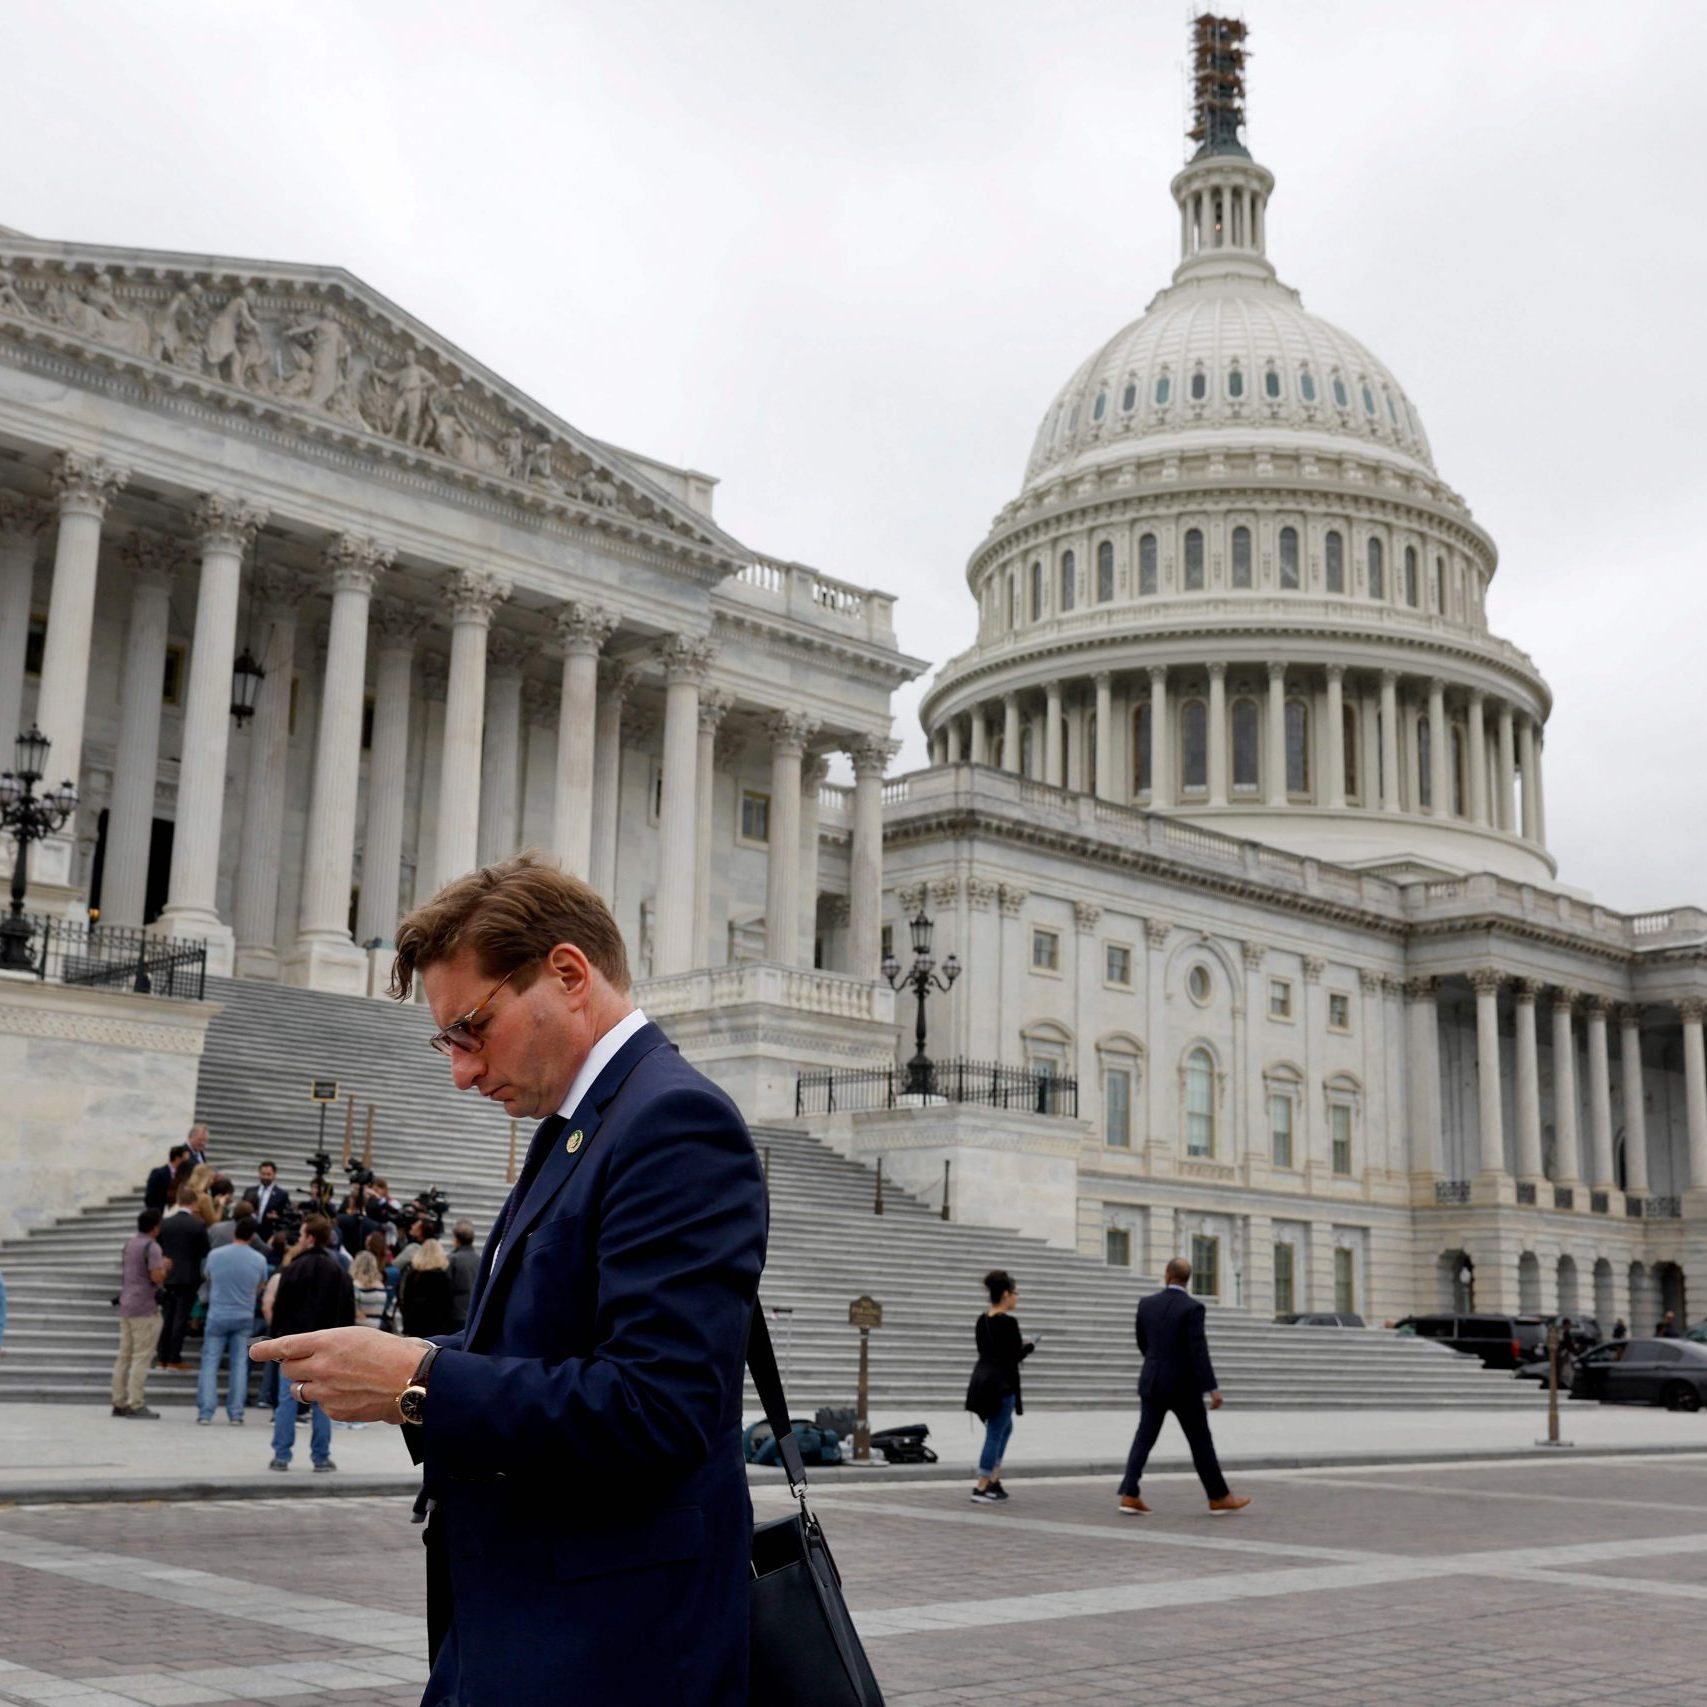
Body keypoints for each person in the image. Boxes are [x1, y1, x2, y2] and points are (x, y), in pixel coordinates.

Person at [252, 853, 768, 1706]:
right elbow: (543, 1341)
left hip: (611, 1646)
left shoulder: (674, 1121)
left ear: (566, 973)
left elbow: (659, 1408)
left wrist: (420, 1384)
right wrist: (403, 1363)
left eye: (471, 1027)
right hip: (526, 1623)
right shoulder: (583, 1124)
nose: (459, 1069)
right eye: (446, 1038)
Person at [1117, 1256, 1249, 1515]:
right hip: (1184, 1387)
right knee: (1200, 1442)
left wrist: (1156, 1364)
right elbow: (1198, 1351)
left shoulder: (1146, 1304)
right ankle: (1219, 1496)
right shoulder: (1193, 1308)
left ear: (1167, 1275)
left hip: (1153, 1381)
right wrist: (1212, 1388)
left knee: (1143, 1439)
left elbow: (1142, 1343)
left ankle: (1129, 1493)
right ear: (1188, 1280)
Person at [263, 1215, 354, 1471]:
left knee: (287, 1400)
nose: (300, 1240)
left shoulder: (292, 1270)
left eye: (302, 1235)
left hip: (294, 1346)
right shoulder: (338, 1272)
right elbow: (347, 1316)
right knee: (323, 1403)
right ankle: (321, 1456)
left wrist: (277, 1342)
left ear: (310, 1238)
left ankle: (281, 1455)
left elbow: (279, 1311)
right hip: (327, 1347)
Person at [965, 1268, 1034, 1503]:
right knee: (995, 1432)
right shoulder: (1008, 1322)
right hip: (1000, 1385)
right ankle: (982, 1486)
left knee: (1004, 1428)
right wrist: (1029, 1347)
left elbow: (988, 1352)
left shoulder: (982, 1320)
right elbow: (1013, 1355)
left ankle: (994, 1480)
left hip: (980, 1382)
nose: (1017, 1297)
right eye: (1015, 1293)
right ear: (1005, 1294)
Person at [198, 1216, 267, 1425]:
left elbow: (208, 1277)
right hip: (243, 1314)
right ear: (253, 1235)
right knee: (239, 1364)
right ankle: (236, 1413)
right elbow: (260, 1286)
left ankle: (206, 1412)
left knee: (210, 1362)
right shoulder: (259, 1260)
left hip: (218, 1313)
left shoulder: (215, 1254)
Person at [112, 1208, 167, 1418]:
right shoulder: (152, 1247)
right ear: (155, 1227)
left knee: (124, 1355)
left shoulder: (130, 1243)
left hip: (126, 1304)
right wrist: (165, 1267)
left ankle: (118, 1400)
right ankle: (136, 1403)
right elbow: (157, 1277)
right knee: (141, 1356)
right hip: (145, 1307)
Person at [155, 1183, 209, 1370]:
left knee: (167, 1316)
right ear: (193, 1203)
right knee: (180, 1318)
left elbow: (159, 1247)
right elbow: (204, 1250)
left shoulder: (165, 1223)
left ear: (179, 1201)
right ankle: (174, 1357)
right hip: (188, 1277)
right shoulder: (197, 1225)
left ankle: (161, 1356)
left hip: (168, 1276)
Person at [399, 1237, 456, 1337]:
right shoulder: (442, 1276)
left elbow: (406, 1300)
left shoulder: (413, 1275)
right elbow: (447, 1304)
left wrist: (406, 1325)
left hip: (416, 1322)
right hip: (436, 1324)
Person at [447, 1221, 479, 1332]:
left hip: (456, 1312)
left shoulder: (452, 1259)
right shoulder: (479, 1259)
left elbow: (447, 1287)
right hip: (473, 1311)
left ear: (457, 1239)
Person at [351, 1251, 392, 1328]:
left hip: (360, 1328)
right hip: (377, 1327)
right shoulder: (381, 1286)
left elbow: (355, 1312)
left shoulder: (356, 1284)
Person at [250, 1161, 290, 1238]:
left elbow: (287, 1217)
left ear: (274, 1175)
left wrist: (277, 1217)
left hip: (269, 1234)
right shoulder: (250, 1191)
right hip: (250, 1231)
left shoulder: (282, 1195)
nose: (265, 1177)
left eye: (268, 1174)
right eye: (263, 1174)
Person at [145, 1144, 189, 1212]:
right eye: (185, 1160)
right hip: (161, 1213)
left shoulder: (185, 1175)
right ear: (178, 1159)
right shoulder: (158, 1173)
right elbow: (149, 1197)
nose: (187, 1163)